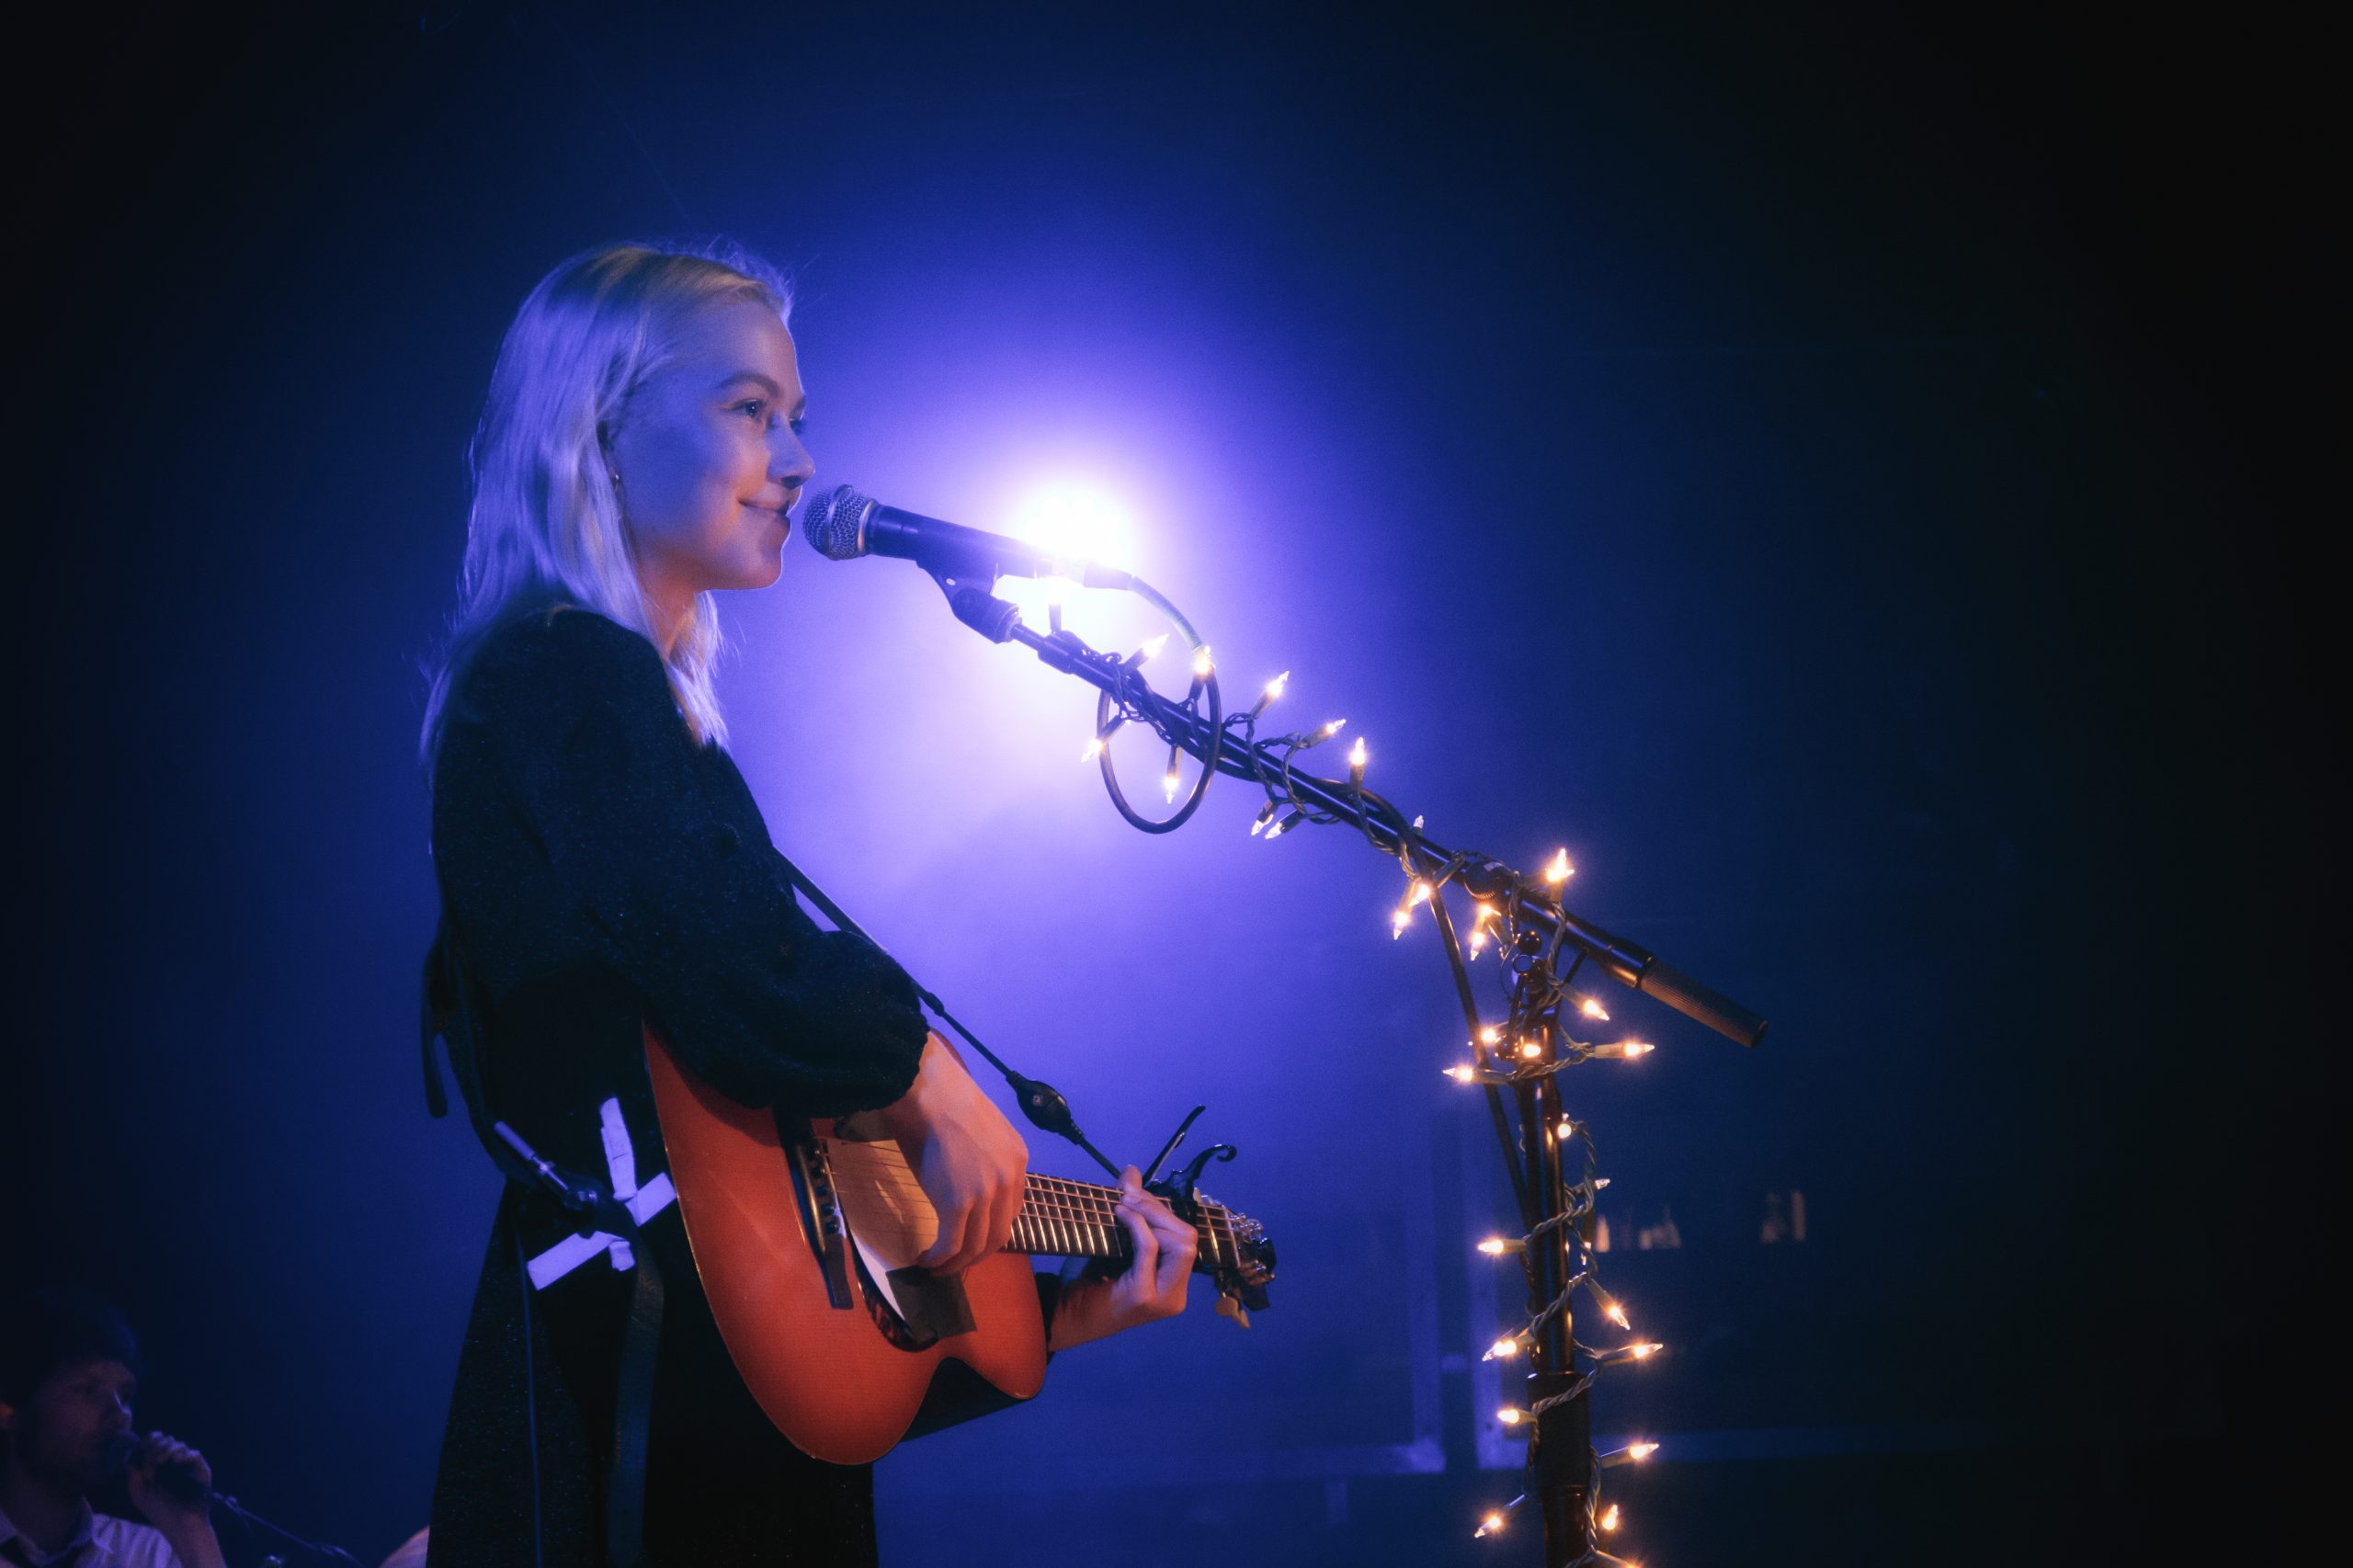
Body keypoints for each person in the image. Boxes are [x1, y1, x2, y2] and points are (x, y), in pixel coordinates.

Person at [418, 241, 1197, 1566]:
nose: (795, 461)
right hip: (620, 1423)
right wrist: (925, 1072)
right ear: (601, 424)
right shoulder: (556, 675)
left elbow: (794, 1344)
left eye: (798, 420)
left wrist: (1061, 1317)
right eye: (748, 408)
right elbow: (727, 956)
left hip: (695, 1423)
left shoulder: (663, 734)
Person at [0, 1289, 226, 1568]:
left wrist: (191, 1526)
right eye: (87, 1391)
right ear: (9, 1411)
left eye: (126, 1396)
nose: (120, 1414)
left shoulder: (148, 1554)